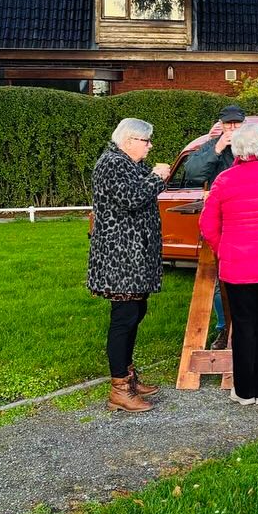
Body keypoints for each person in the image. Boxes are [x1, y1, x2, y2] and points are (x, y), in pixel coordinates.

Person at [199, 123, 258, 406]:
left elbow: (208, 224)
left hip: (238, 263)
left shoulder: (224, 180)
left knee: (242, 326)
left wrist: (223, 248)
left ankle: (244, 390)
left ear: (236, 149)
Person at [87, 118, 171, 412]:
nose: (150, 147)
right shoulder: (112, 163)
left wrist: (153, 180)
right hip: (120, 258)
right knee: (124, 317)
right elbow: (132, 198)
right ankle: (119, 389)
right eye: (146, 141)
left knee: (136, 311)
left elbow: (140, 195)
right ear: (129, 141)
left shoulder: (127, 163)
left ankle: (128, 375)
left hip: (133, 256)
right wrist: (157, 177)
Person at [182, 104, 258, 351]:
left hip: (252, 224)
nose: (232, 128)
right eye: (228, 124)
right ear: (221, 125)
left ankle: (252, 329)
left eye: (236, 124)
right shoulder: (212, 146)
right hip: (222, 225)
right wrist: (219, 147)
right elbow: (192, 173)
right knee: (220, 282)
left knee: (254, 278)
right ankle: (224, 328)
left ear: (244, 124)